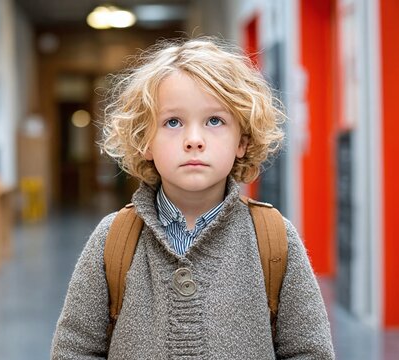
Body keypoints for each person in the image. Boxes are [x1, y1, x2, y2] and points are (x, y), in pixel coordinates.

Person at [51, 37, 335, 359]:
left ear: (241, 141)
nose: (194, 140)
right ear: (145, 142)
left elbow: (309, 350)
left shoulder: (273, 239)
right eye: (173, 122)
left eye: (215, 121)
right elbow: (75, 348)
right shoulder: (112, 241)